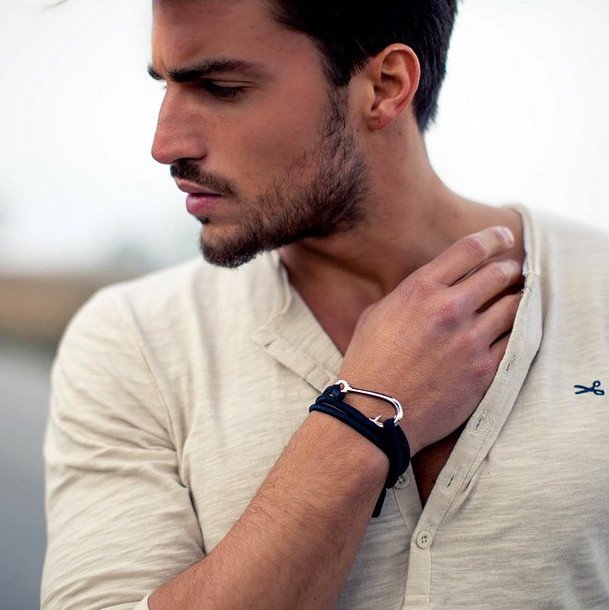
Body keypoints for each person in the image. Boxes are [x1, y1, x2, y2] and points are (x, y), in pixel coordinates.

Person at [42, 0, 609, 608]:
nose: (164, 144)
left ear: (384, 86)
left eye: (221, 88)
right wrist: (365, 414)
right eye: (166, 86)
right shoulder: (134, 342)